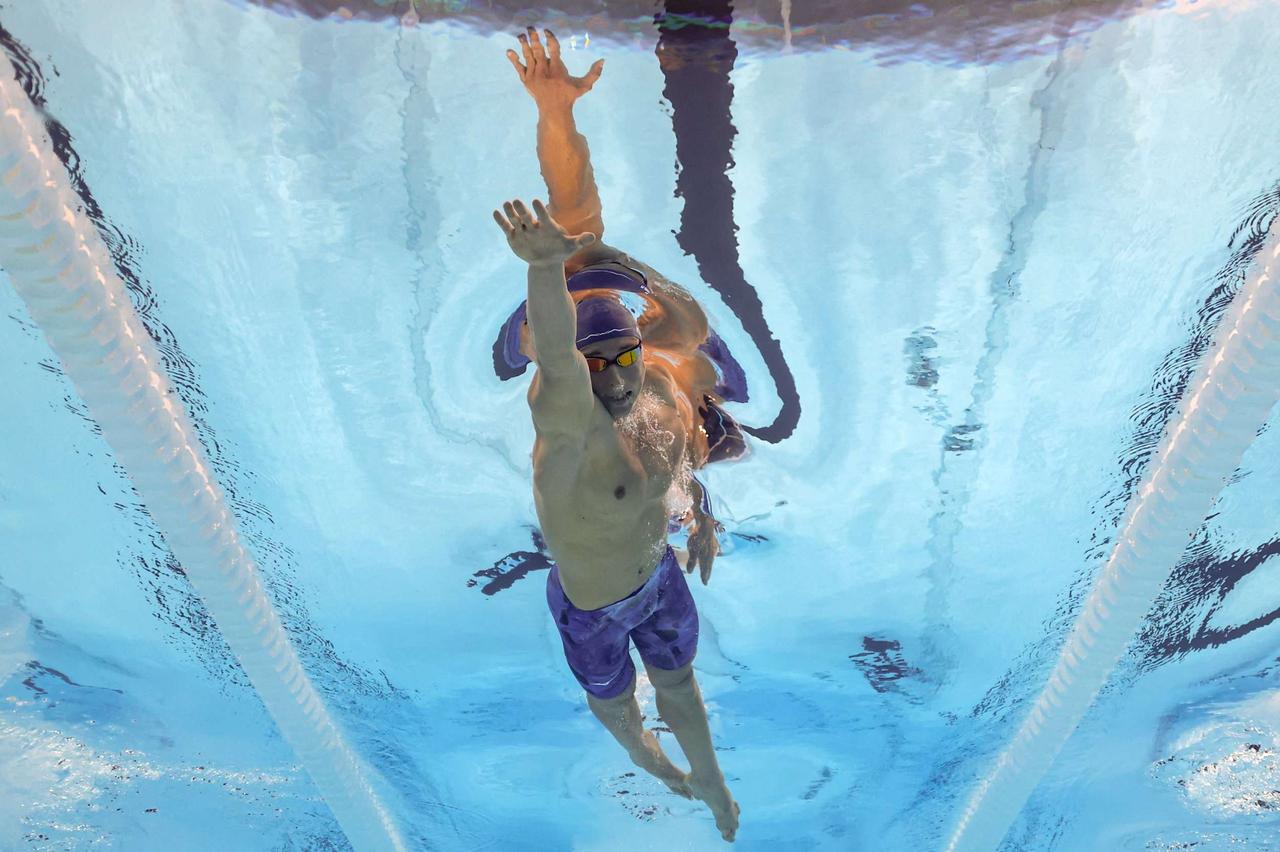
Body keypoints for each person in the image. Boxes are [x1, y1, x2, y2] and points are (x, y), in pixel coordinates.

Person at [490, 25, 740, 843]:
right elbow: (563, 355)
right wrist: (538, 267)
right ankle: (654, 766)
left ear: (641, 338)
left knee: (683, 691)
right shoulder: (568, 424)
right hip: (592, 607)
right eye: (591, 363)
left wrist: (699, 515)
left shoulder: (669, 376)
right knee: (622, 713)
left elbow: (580, 214)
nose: (608, 377)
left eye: (620, 354)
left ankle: (707, 780)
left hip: (657, 576)